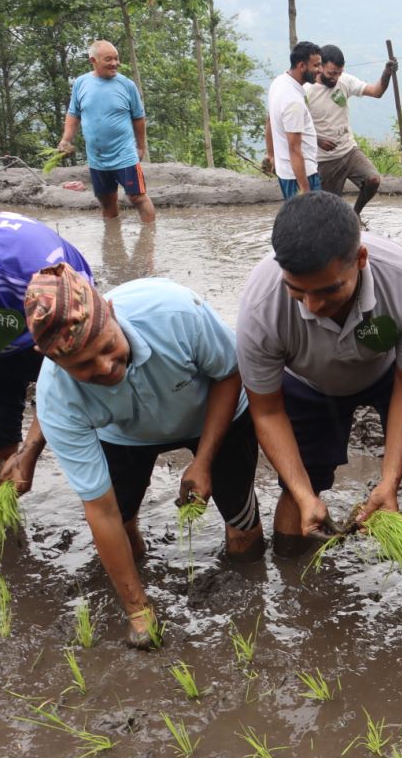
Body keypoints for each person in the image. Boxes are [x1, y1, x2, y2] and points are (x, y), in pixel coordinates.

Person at [21, 265, 262, 647]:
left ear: (111, 312)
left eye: (106, 347)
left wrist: (204, 460)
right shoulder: (57, 400)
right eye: (83, 366)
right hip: (122, 433)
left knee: (242, 525)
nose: (105, 368)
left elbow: (229, 373)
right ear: (51, 359)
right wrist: (137, 610)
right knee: (122, 517)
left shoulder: (175, 313)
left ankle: (251, 600)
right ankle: (136, 581)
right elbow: (100, 510)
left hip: (214, 409)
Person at [235, 192, 402, 557]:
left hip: (391, 371)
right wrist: (305, 495)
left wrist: (390, 481)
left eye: (329, 290)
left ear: (361, 259)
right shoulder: (260, 308)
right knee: (300, 487)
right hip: (306, 380)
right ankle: (295, 583)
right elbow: (267, 411)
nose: (313, 306)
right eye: (297, 291)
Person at [0, 212, 92, 507]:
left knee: (96, 430)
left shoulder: (38, 274)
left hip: (54, 328)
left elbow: (73, 371)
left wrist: (30, 453)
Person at [56, 40, 157, 233]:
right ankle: (112, 242)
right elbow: (73, 114)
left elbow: (139, 118)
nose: (115, 63)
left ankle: (149, 241)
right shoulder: (81, 83)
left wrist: (140, 146)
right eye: (108, 59)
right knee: (107, 200)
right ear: (93, 61)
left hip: (124, 154)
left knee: (137, 197)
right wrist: (65, 140)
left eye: (116, 59)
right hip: (97, 158)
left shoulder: (127, 85)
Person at [305, 44, 396, 215]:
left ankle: (355, 215)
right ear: (320, 66)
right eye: (331, 73)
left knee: (373, 180)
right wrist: (318, 140)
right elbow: (297, 127)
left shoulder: (344, 81)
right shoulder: (307, 91)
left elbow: (376, 91)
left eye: (338, 73)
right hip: (324, 159)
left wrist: (387, 73)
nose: (335, 78)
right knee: (328, 208)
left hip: (348, 151)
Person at [264, 41, 323, 200]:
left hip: (286, 172)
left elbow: (269, 120)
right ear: (302, 65)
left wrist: (271, 155)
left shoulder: (279, 82)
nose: (320, 70)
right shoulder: (293, 102)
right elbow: (295, 148)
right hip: (301, 175)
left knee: (294, 215)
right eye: (316, 65)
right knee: (309, 215)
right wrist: (305, 190)